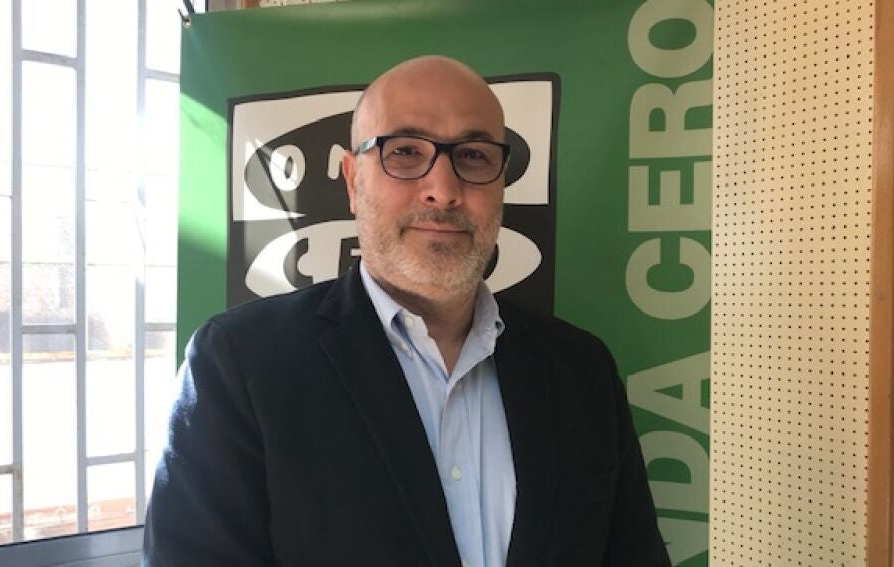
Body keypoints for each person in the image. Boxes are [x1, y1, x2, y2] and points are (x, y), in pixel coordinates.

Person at [143, 55, 670, 567]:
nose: (443, 190)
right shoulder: (239, 365)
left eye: (474, 155)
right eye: (404, 152)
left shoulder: (582, 371)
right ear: (353, 181)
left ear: (501, 184)